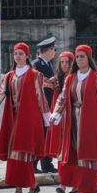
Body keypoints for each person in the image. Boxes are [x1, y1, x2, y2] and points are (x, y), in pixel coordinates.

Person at [49, 44, 97, 193]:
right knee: (78, 155)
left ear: (89, 58)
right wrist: (56, 113)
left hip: (92, 121)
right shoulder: (71, 78)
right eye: (77, 57)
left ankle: (86, 191)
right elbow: (63, 97)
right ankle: (92, 189)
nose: (79, 59)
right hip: (73, 121)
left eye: (82, 56)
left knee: (89, 156)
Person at [0, 42, 50, 193]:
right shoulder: (9, 75)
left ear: (27, 56)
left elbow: (41, 98)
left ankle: (19, 189)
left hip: (28, 119)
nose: (18, 56)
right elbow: (1, 92)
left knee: (24, 153)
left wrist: (47, 119)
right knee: (15, 154)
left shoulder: (35, 75)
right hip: (12, 118)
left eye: (21, 53)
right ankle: (30, 184)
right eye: (15, 53)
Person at [45, 51, 78, 193]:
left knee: (73, 150)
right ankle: (63, 184)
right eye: (62, 62)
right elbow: (43, 83)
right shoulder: (57, 79)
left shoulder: (76, 77)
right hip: (59, 117)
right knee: (61, 151)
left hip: (73, 117)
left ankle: (75, 184)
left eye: (67, 62)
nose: (64, 65)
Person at [32, 36, 58, 173]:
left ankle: (47, 164)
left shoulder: (48, 64)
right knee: (40, 135)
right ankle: (33, 164)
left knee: (47, 134)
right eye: (54, 49)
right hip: (40, 105)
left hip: (49, 104)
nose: (55, 52)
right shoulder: (36, 64)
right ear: (48, 50)